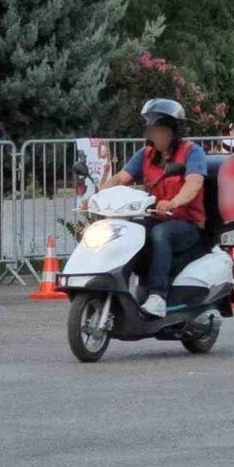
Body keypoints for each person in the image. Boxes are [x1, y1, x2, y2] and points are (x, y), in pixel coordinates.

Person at [100, 99, 207, 318]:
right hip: (156, 217)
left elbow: (194, 183)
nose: (154, 135)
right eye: (152, 130)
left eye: (159, 130)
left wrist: (174, 202)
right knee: (127, 231)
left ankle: (157, 296)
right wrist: (98, 196)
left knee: (160, 234)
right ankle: (116, 287)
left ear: (173, 132)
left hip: (187, 223)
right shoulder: (146, 155)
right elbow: (122, 177)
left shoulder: (192, 152)